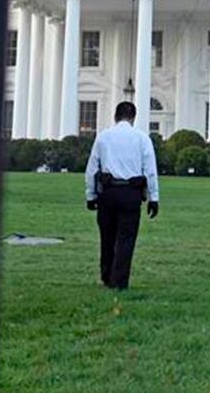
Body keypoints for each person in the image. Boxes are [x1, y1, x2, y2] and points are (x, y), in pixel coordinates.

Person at [84, 102, 159, 290]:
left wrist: (90, 195)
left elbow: (92, 168)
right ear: (133, 117)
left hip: (108, 192)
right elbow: (150, 171)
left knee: (107, 237)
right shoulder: (142, 138)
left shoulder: (103, 137)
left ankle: (106, 277)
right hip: (131, 193)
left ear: (115, 116)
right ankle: (119, 281)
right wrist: (154, 198)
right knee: (126, 239)